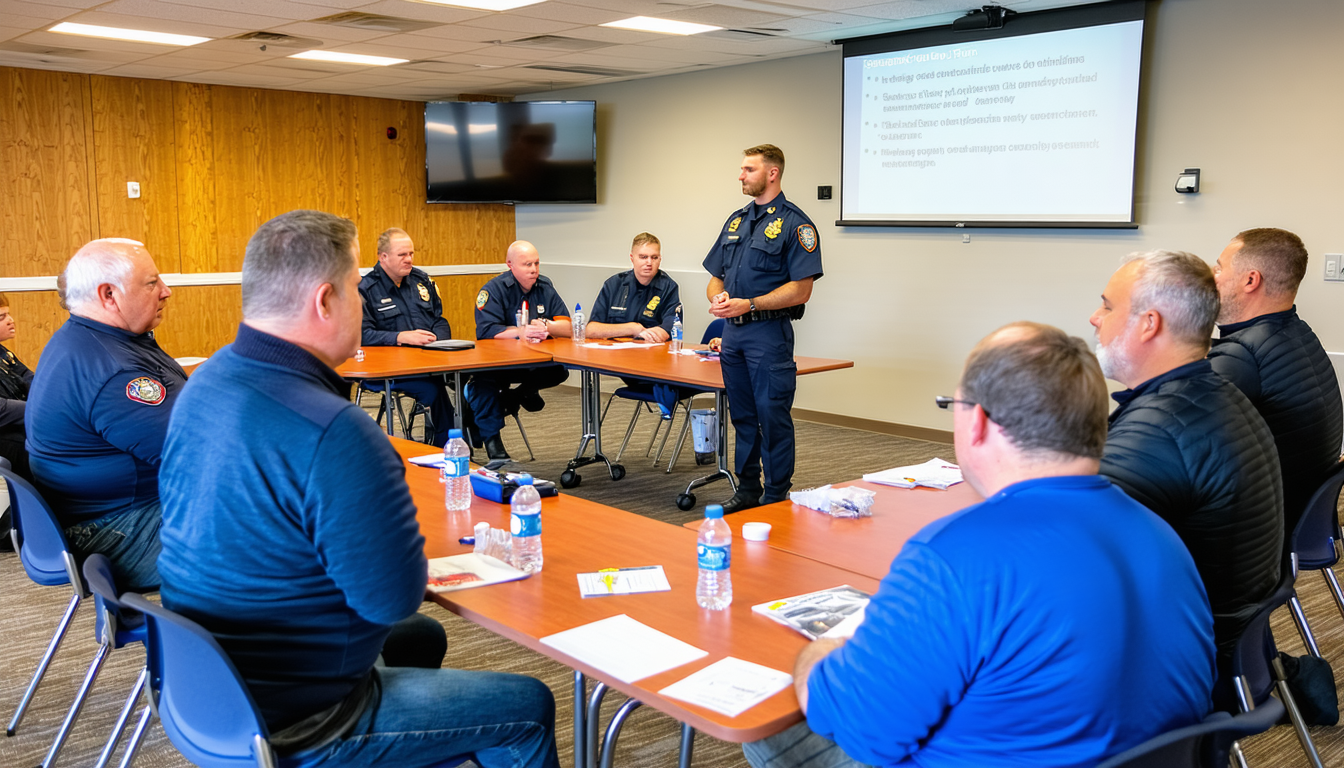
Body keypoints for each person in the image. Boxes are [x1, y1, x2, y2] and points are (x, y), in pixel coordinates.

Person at [157, 210, 560, 768]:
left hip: (207, 688)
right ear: (325, 301)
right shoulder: (335, 431)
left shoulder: (203, 384)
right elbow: (389, 597)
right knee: (529, 705)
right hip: (304, 717)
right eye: (352, 288)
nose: (359, 299)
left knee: (418, 638)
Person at [744, 322, 1215, 768]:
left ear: (980, 423)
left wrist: (823, 649)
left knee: (763, 718)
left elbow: (858, 726)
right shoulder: (1163, 537)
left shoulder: (954, 556)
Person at [1091, 249, 1282, 701]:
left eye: (1107, 305)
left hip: (1172, 672)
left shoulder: (1158, 433)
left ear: (1149, 323)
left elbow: (1058, 561)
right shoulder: (1212, 392)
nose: (1095, 318)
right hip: (1226, 647)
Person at [26, 238, 182, 591]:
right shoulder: (114, 371)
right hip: (118, 528)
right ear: (109, 295)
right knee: (285, 533)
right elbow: (199, 458)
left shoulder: (86, 337)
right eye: (152, 282)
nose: (166, 291)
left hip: (102, 512)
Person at [703, 144, 822, 513]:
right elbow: (714, 277)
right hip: (733, 335)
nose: (740, 175)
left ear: (772, 173)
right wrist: (720, 298)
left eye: (748, 169)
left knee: (772, 417)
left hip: (768, 335)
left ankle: (775, 496)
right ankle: (748, 489)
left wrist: (751, 303)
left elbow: (801, 289)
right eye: (741, 169)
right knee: (742, 416)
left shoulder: (795, 223)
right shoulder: (736, 220)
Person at [1208, 227, 1342, 535]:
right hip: (1302, 512)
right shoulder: (1299, 332)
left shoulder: (1242, 355)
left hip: (1257, 531)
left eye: (1218, 268)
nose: (1211, 277)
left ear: (1250, 280)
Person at [469, 240, 571, 460]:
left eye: (536, 264)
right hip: (500, 362)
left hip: (532, 359)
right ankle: (493, 442)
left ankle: (515, 397)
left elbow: (567, 327)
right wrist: (520, 332)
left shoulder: (545, 288)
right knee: (483, 384)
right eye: (527, 265)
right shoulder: (493, 290)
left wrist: (547, 326)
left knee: (559, 370)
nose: (533, 270)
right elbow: (486, 331)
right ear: (510, 265)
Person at [358, 227, 455, 446]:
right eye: (402, 255)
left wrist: (436, 341)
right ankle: (448, 448)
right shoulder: (366, 289)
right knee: (435, 389)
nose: (409, 259)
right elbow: (361, 335)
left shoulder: (421, 281)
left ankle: (468, 437)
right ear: (383, 257)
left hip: (429, 362)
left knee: (468, 380)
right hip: (390, 370)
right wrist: (400, 337)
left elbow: (439, 320)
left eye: (411, 254)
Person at [587, 232, 684, 413]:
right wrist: (634, 329)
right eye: (643, 257)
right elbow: (591, 329)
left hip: (652, 363)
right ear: (632, 258)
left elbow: (670, 328)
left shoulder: (669, 287)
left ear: (660, 259)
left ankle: (664, 397)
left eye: (654, 257)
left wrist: (659, 333)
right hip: (617, 360)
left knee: (666, 383)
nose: (649, 262)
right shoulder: (614, 284)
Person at [0, 295, 34, 479]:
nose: (11, 321)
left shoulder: (4, 353)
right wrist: (39, 408)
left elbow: (28, 377)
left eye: (9, 314)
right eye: (1, 317)